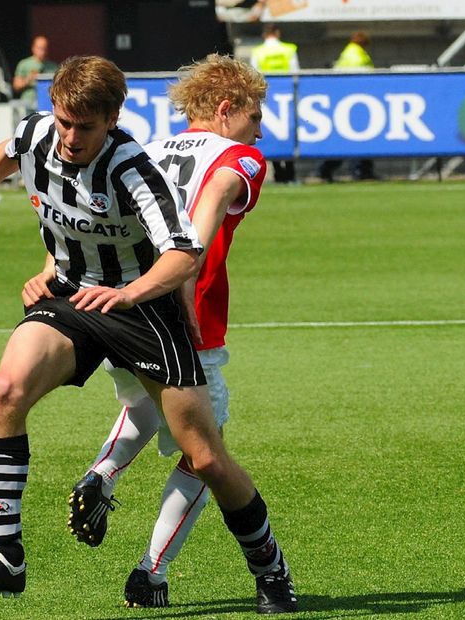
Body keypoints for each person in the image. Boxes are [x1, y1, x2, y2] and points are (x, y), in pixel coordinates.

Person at [0, 55, 296, 615]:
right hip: (76, 296)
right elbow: (8, 156)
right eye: (63, 122)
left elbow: (183, 252)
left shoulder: (134, 168)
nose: (70, 137)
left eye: (85, 126)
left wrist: (128, 294)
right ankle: (6, 559)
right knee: (7, 390)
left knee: (204, 457)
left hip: (142, 309)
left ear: (113, 119)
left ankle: (270, 567)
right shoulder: (36, 132)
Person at [68, 53, 293, 612]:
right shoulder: (241, 157)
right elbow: (215, 193)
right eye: (255, 113)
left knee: (148, 405)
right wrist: (186, 278)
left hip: (119, 308)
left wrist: (52, 269)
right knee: (203, 450)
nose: (260, 128)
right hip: (183, 316)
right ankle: (152, 571)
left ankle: (103, 472)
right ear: (225, 109)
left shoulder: (150, 151)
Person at [317, 31, 378, 182]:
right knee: (355, 141)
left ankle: (327, 170)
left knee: (344, 141)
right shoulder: (356, 55)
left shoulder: (349, 52)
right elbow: (364, 76)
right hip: (356, 100)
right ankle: (358, 171)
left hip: (348, 101)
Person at [250, 24, 297, 184]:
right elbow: (296, 72)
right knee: (288, 132)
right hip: (287, 96)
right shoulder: (289, 49)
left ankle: (278, 172)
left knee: (271, 132)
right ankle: (290, 173)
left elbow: (254, 75)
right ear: (278, 33)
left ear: (264, 35)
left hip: (267, 98)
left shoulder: (258, 52)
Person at [13, 35, 58, 114]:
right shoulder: (24, 64)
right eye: (40, 48)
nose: (42, 51)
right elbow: (16, 86)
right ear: (33, 48)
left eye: (44, 48)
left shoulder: (53, 67)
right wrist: (28, 79)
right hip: (28, 104)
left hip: (47, 104)